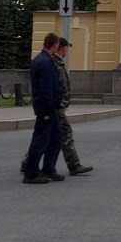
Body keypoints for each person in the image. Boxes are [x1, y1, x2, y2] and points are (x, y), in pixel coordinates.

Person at [21, 36, 93, 177]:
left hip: (52, 107)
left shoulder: (48, 61)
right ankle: (69, 166)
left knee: (50, 137)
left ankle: (42, 167)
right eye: (64, 47)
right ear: (57, 46)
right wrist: (53, 107)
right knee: (50, 136)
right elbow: (48, 87)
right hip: (51, 107)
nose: (66, 50)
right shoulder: (48, 62)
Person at [22, 32, 64, 184]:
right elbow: (46, 88)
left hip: (46, 107)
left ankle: (48, 168)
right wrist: (51, 107)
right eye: (58, 45)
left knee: (56, 138)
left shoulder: (40, 59)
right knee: (41, 140)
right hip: (47, 109)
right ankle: (31, 173)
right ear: (54, 45)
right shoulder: (45, 62)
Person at [53, 37, 93, 176]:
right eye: (66, 48)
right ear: (61, 47)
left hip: (57, 106)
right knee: (65, 133)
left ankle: (27, 162)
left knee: (46, 136)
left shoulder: (57, 62)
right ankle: (74, 165)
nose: (67, 51)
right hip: (56, 107)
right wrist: (61, 104)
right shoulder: (53, 63)